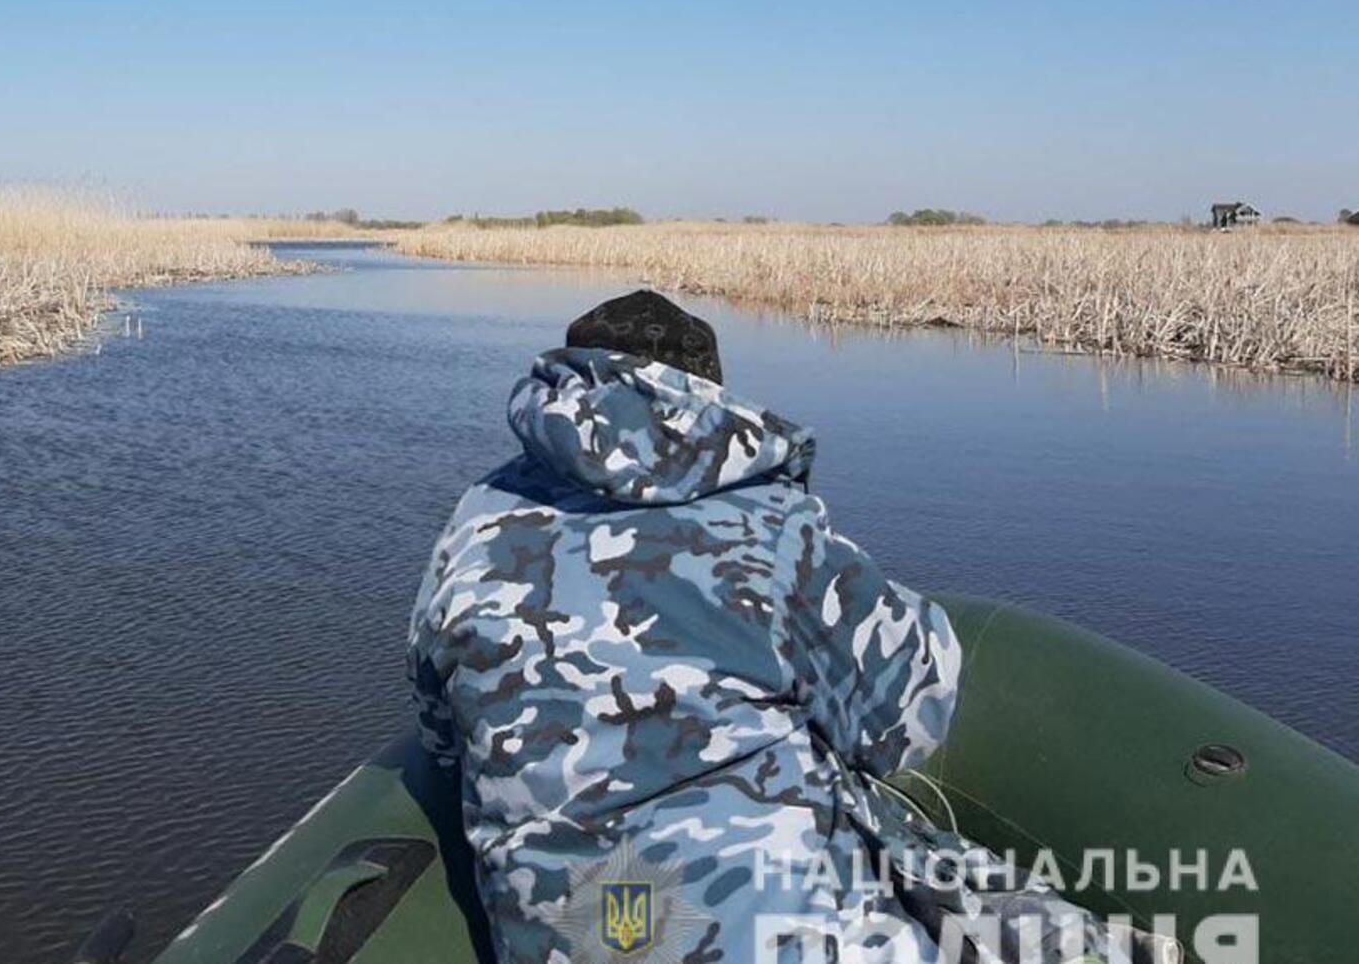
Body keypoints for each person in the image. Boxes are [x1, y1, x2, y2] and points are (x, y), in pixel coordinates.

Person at [407, 290, 1154, 964]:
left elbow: (443, 732)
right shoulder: (767, 528)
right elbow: (907, 724)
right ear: (707, 394)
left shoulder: (474, 519)